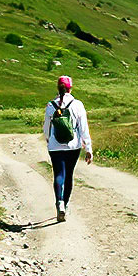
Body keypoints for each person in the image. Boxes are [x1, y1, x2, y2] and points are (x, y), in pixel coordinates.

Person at [42, 74, 92, 222]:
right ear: (71, 88)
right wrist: (88, 147)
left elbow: (46, 127)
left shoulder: (51, 105)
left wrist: (48, 140)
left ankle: (59, 203)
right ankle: (66, 204)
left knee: (58, 174)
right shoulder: (78, 105)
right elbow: (83, 128)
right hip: (73, 146)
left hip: (55, 146)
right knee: (69, 175)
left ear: (58, 88)